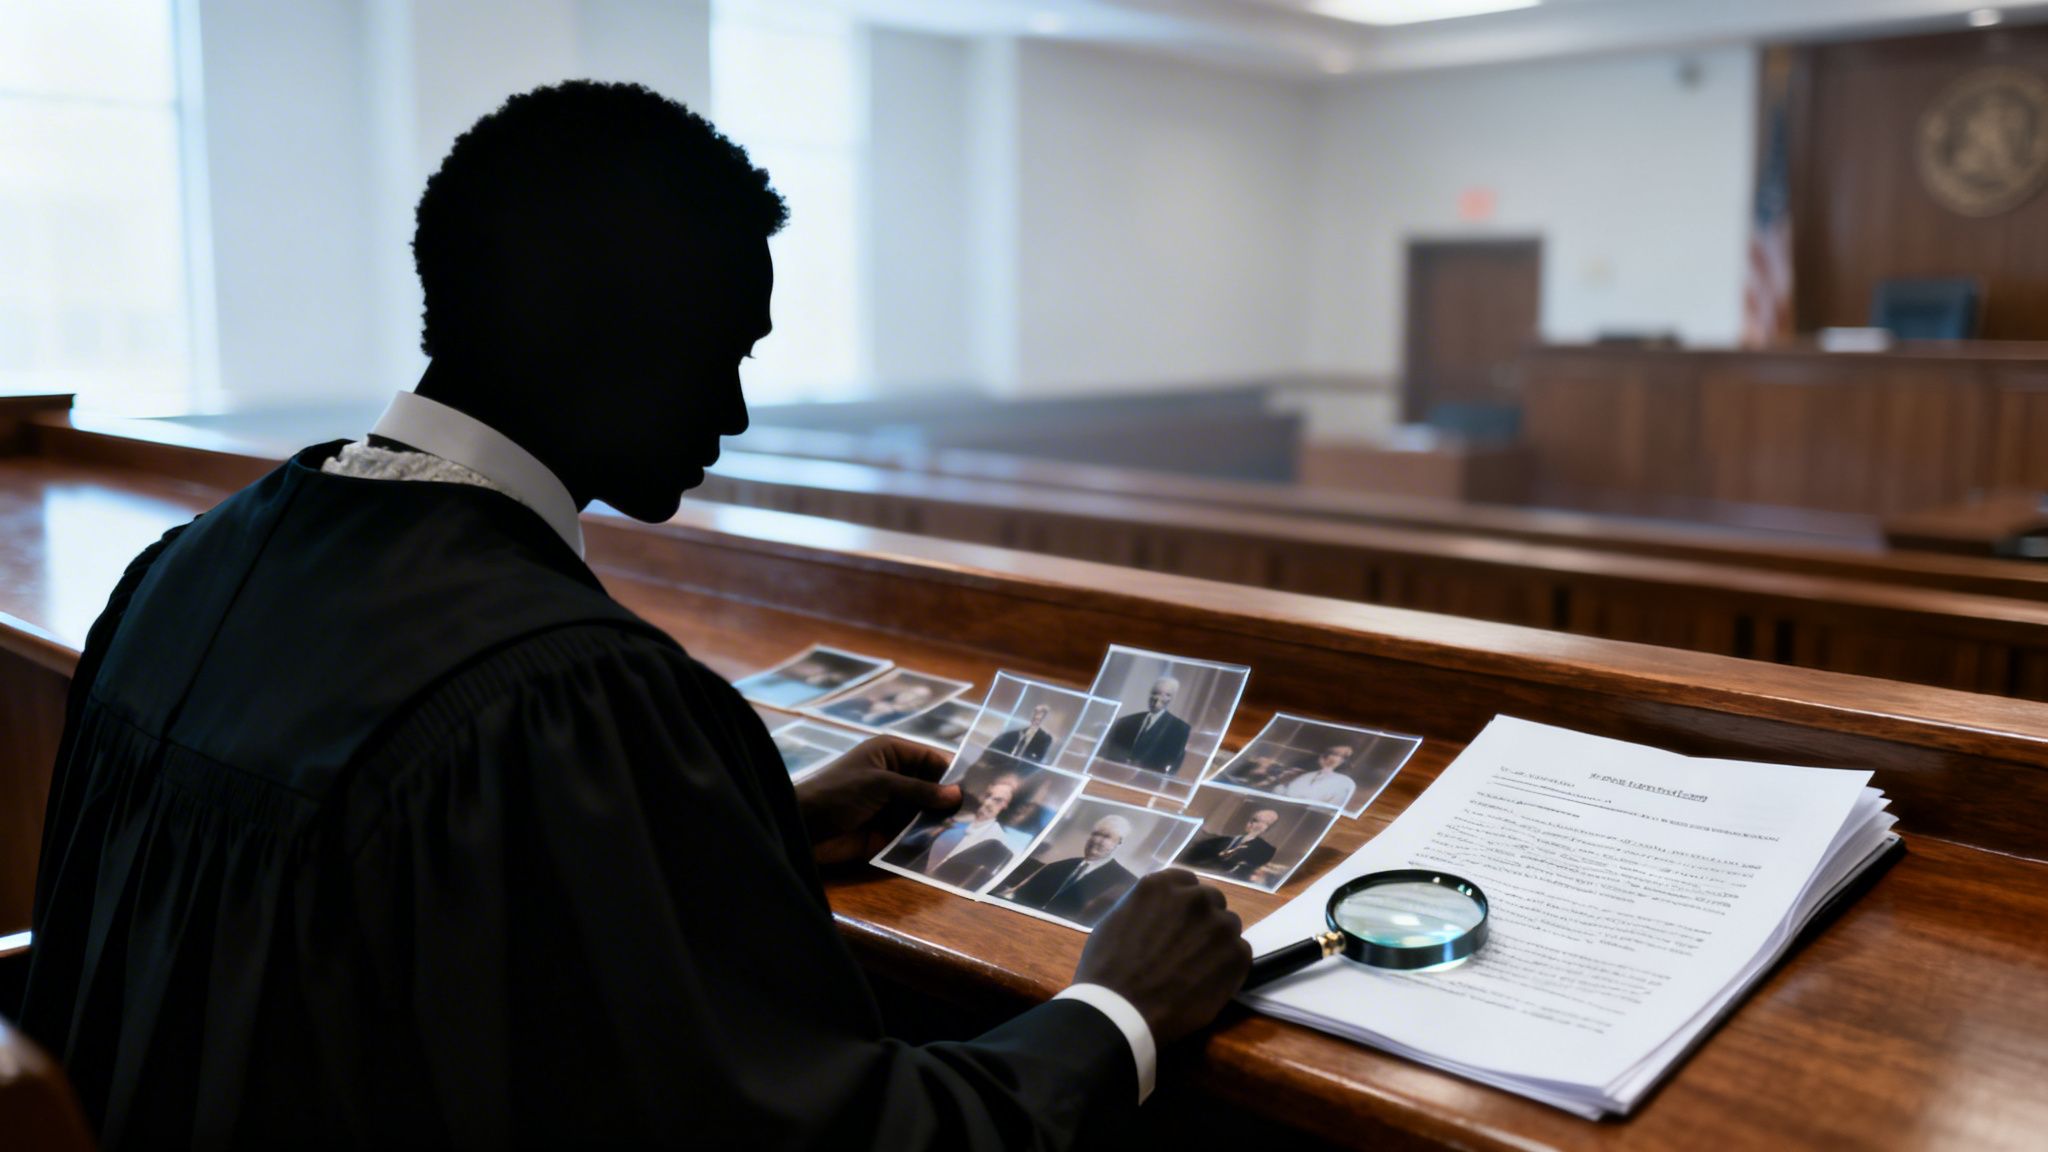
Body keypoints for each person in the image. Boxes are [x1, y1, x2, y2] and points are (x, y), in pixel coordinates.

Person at [21, 81, 1249, 1149]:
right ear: (599, 337)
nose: (734, 410)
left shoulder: (187, 570)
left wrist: (738, 827)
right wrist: (1116, 1013)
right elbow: (823, 1135)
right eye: (721, 352)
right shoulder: (563, 697)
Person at [999, 816, 1141, 928]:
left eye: (1106, 837)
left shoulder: (1126, 883)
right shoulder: (1058, 866)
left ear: (1119, 842)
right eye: (1095, 834)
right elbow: (1020, 895)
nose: (1097, 840)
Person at [893, 775, 1020, 889]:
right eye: (988, 796)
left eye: (997, 800)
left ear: (1007, 806)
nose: (988, 803)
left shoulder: (998, 842)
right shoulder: (955, 821)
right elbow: (907, 844)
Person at [1098, 677, 1192, 774]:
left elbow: (1173, 767)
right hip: (1112, 774)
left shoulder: (1180, 729)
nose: (1158, 698)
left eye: (1166, 695)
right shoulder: (1125, 721)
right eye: (1155, 693)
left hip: (1148, 781)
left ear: (1172, 699)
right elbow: (1106, 752)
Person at [1177, 808, 1279, 880]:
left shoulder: (1266, 849)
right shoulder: (1222, 840)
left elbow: (1246, 871)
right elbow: (1192, 856)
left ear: (1267, 827)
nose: (1252, 823)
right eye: (1253, 819)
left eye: (1260, 822)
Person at [1277, 743, 1358, 809]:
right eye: (1332, 753)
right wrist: (1283, 783)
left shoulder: (1345, 783)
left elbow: (1330, 809)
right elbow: (1281, 796)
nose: (1334, 759)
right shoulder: (1303, 775)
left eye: (1344, 757)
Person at [822, 681, 935, 727]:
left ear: (921, 702)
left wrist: (875, 714)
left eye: (916, 696)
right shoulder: (869, 702)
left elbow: (868, 725)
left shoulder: (907, 718)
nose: (907, 695)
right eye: (909, 691)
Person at [988, 703, 1057, 762]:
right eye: (1035, 717)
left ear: (1044, 720)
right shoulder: (1015, 733)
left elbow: (1038, 759)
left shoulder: (1045, 739)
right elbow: (996, 747)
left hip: (1021, 769)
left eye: (1039, 719)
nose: (1036, 720)